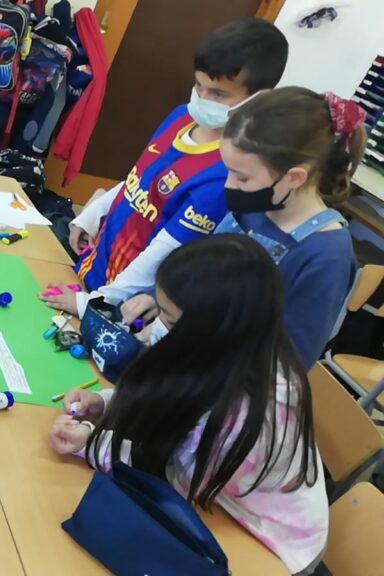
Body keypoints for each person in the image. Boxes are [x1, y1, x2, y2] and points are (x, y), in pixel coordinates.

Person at [49, 234, 326, 575]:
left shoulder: (250, 410)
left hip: (267, 545)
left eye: (169, 319)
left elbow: (172, 475)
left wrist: (91, 443)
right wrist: (106, 405)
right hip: (216, 499)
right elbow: (168, 403)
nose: (155, 328)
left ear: (211, 328)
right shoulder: (224, 351)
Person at [42, 18, 288, 318]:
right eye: (199, 86)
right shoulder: (180, 117)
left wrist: (94, 304)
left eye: (218, 94)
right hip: (92, 268)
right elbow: (140, 177)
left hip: (121, 303)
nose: (203, 100)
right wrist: (92, 216)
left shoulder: (227, 172)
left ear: (259, 99)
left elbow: (164, 251)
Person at [121, 88, 363, 370]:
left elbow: (286, 366)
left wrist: (191, 344)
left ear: (295, 177)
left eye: (242, 178)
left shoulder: (327, 255)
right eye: (229, 171)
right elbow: (198, 277)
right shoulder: (254, 202)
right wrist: (158, 300)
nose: (229, 186)